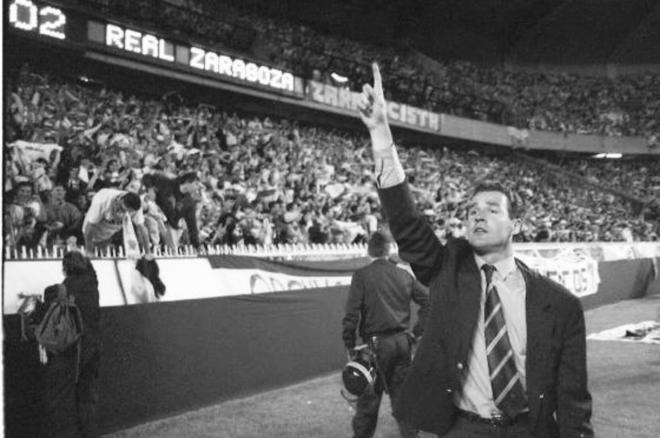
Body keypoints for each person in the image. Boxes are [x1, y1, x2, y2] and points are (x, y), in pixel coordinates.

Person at [356, 63, 593, 438]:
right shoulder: (449, 269)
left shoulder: (559, 304)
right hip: (463, 429)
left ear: (515, 225)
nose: (477, 215)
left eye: (491, 209)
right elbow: (406, 221)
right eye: (471, 211)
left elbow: (574, 403)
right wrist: (380, 131)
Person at [342, 231, 430, 438]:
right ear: (388, 249)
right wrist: (415, 334)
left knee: (367, 407)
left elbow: (351, 314)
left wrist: (349, 344)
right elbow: (429, 302)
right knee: (403, 404)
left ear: (368, 250)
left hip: (374, 348)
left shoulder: (362, 275)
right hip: (401, 344)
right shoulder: (403, 274)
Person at [42, 251, 100, 437]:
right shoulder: (93, 284)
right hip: (94, 347)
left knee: (64, 397)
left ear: (66, 267)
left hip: (74, 350)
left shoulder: (67, 287)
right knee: (87, 396)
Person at [82, 188, 152, 256]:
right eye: (122, 209)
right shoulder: (102, 200)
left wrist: (148, 253)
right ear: (120, 200)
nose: (124, 213)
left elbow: (142, 230)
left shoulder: (136, 208)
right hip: (88, 234)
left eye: (128, 211)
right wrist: (89, 251)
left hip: (107, 237)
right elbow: (90, 226)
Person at [142, 171, 201, 250]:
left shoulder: (189, 203)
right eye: (196, 184)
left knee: (176, 231)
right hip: (151, 211)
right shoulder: (168, 182)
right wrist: (150, 188)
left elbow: (192, 225)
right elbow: (147, 176)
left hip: (168, 223)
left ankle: (163, 249)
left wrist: (197, 245)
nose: (198, 187)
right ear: (187, 182)